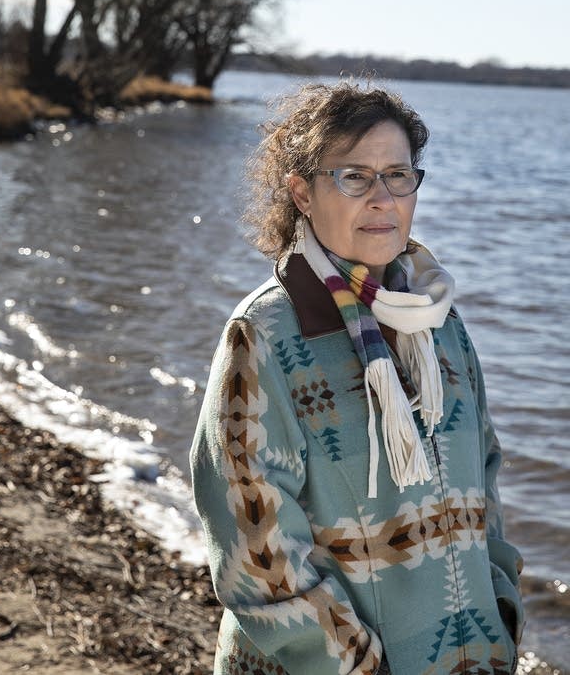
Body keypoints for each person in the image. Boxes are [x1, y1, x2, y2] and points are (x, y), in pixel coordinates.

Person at [190, 82, 524, 675]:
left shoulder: (438, 317)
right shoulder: (264, 333)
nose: (382, 198)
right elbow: (257, 553)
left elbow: (485, 474)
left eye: (398, 175)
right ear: (302, 192)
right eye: (354, 177)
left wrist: (503, 608)